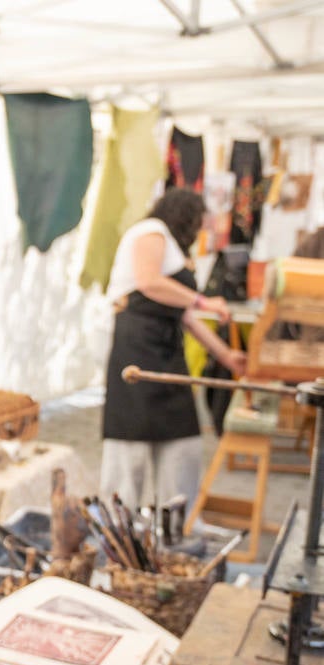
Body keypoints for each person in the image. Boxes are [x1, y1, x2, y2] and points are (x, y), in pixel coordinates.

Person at [101, 187, 248, 508]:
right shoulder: (151, 232)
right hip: (136, 346)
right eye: (196, 222)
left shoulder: (172, 248)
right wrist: (203, 300)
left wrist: (224, 354)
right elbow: (148, 282)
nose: (197, 231)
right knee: (131, 439)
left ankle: (177, 525)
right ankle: (120, 527)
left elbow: (185, 316)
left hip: (167, 348)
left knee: (182, 438)